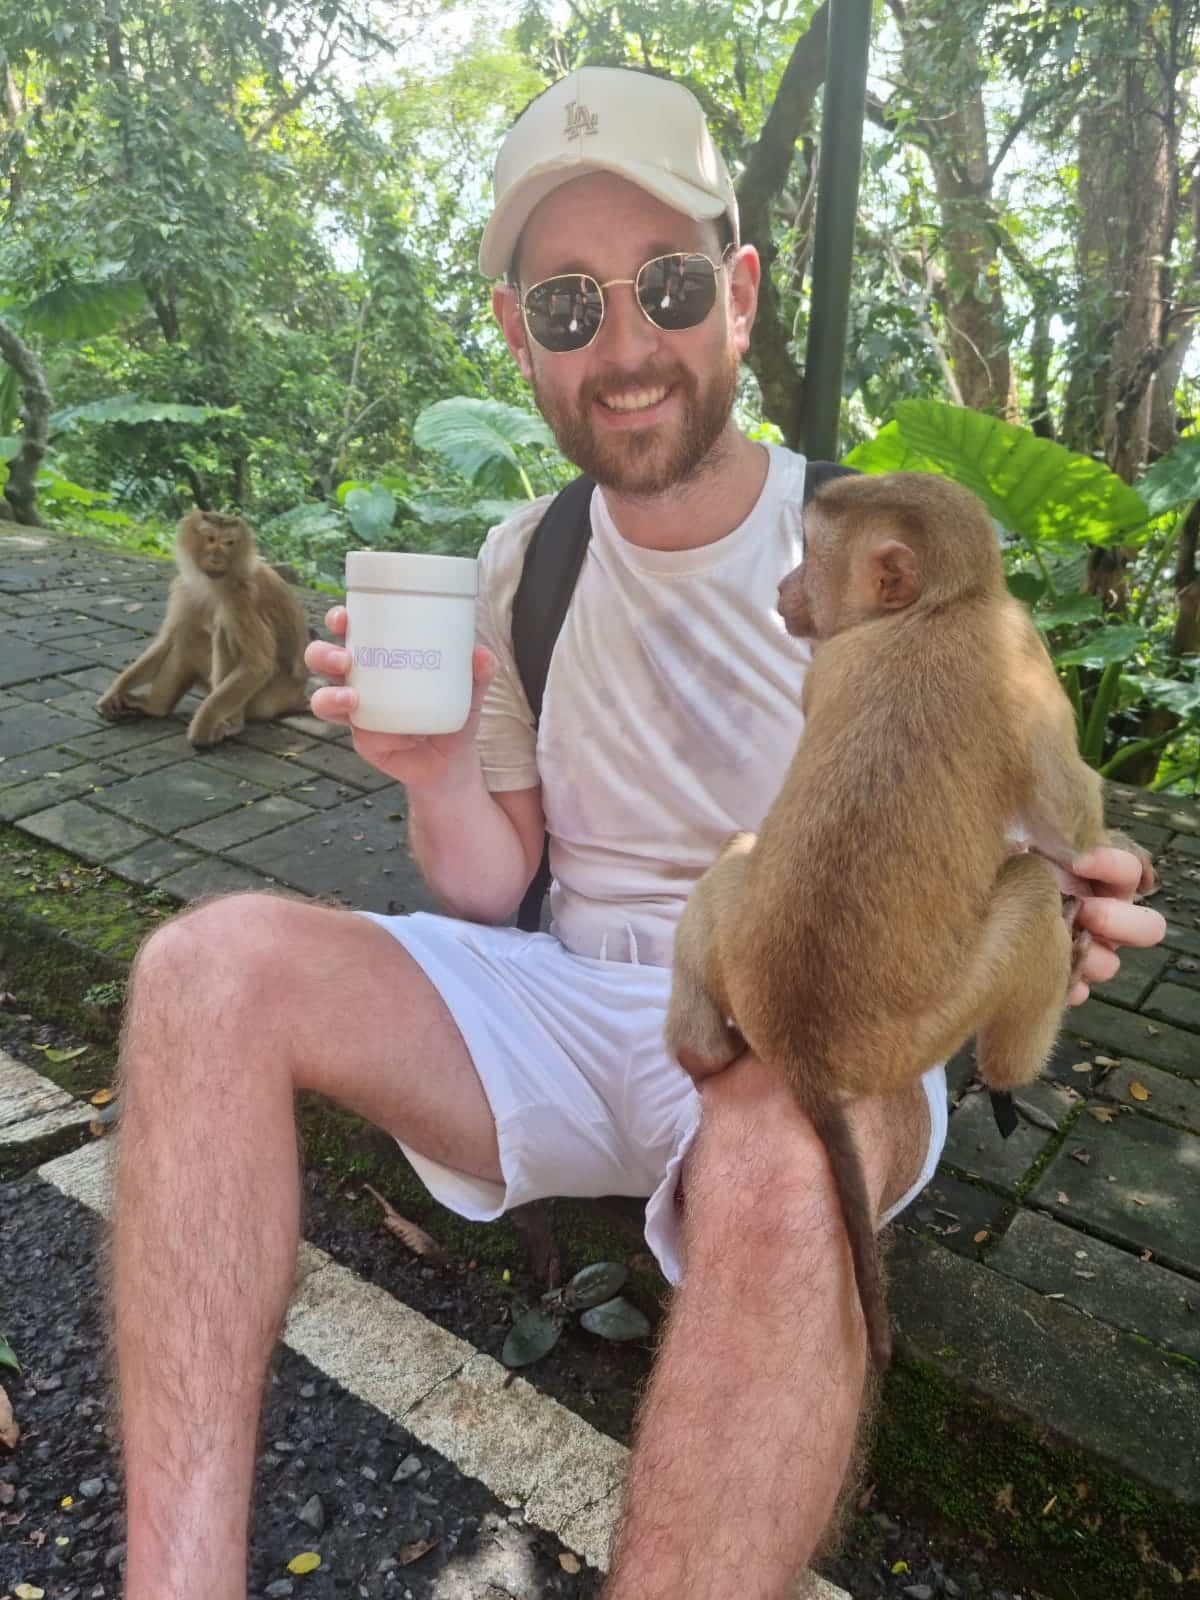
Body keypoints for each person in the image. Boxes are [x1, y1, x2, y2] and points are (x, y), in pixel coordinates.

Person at [110, 66, 1167, 1600]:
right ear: (517, 331)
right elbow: (492, 884)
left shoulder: (882, 549)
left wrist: (1086, 900)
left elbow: (1045, 825)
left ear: (736, 295)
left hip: (807, 1018)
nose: (623, 346)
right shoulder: (524, 560)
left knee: (782, 1159)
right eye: (568, 306)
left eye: (666, 285)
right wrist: (429, 774)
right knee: (202, 972)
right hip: (583, 990)